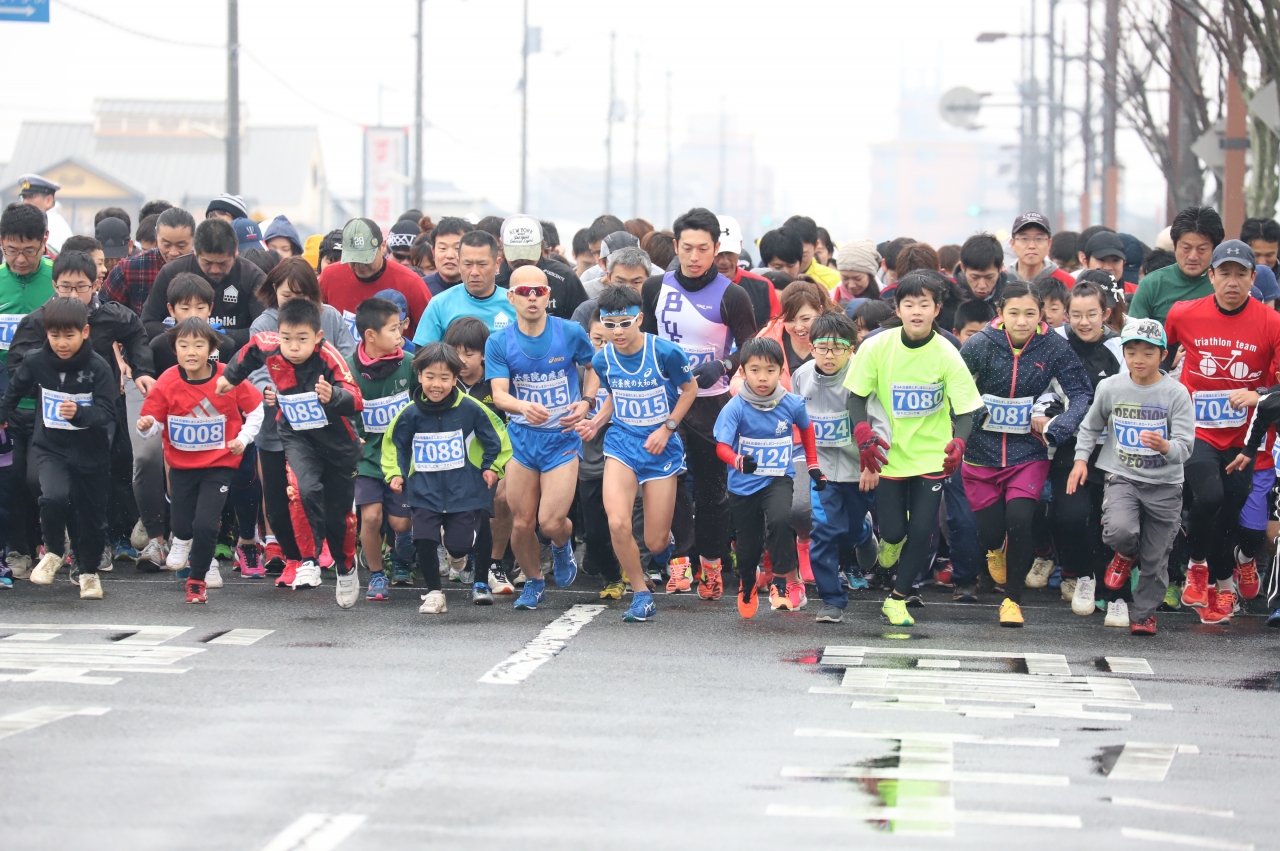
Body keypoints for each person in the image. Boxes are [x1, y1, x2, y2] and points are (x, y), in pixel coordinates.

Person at [845, 273, 983, 626]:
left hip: (930, 455)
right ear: (899, 308)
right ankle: (889, 543)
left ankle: (897, 598)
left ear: (937, 309)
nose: (917, 311)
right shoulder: (877, 346)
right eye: (909, 304)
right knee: (894, 531)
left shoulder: (947, 352)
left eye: (925, 304)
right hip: (888, 452)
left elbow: (967, 410)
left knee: (923, 529)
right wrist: (863, 434)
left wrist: (959, 442)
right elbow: (856, 396)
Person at [9, 250, 155, 570]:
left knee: (98, 480)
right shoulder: (39, 319)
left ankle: (94, 545)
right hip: (51, 419)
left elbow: (136, 333)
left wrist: (142, 369)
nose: (73, 294)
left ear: (97, 284)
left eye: (81, 287)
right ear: (54, 285)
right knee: (41, 482)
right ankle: (51, 543)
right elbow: (17, 366)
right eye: (65, 287)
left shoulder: (111, 315)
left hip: (99, 415)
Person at [641, 207, 759, 600]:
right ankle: (679, 564)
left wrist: (723, 364)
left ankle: (711, 567)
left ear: (716, 249)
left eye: (703, 249)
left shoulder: (733, 294)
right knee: (669, 486)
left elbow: (751, 347)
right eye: (687, 248)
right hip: (666, 405)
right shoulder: (655, 288)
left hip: (712, 404)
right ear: (675, 246)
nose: (694, 257)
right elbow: (646, 342)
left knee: (712, 492)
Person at [961, 281, 1093, 627]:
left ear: (1042, 315)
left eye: (1030, 314)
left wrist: (1058, 425)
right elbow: (952, 388)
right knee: (991, 531)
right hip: (980, 453)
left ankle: (1012, 600)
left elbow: (1081, 393)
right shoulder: (979, 345)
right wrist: (976, 415)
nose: (1022, 321)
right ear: (1000, 314)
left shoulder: (1054, 347)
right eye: (1014, 313)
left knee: (1019, 520)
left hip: (1027, 453)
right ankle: (993, 549)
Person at [219, 298, 365, 607]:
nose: (293, 347)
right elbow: (249, 350)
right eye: (287, 339)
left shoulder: (330, 357)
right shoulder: (269, 344)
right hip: (296, 434)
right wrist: (230, 377)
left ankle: (346, 566)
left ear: (318, 338)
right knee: (303, 490)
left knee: (341, 518)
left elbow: (356, 398)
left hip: (337, 441)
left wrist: (332, 395)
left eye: (302, 340)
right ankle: (308, 561)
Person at [1165, 239, 1280, 623]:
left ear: (1253, 278)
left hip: (1247, 437)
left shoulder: (1272, 323)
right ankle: (1198, 567)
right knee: (1209, 497)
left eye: (1241, 274)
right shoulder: (1183, 314)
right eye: (1225, 273)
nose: (1232, 282)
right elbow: (1159, 355)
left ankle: (1220, 579)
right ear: (1210, 276)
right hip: (1197, 431)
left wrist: (1258, 392)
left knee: (1232, 509)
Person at [576, 285, 697, 621]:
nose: (617, 331)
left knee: (656, 543)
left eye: (625, 323)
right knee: (617, 522)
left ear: (640, 319)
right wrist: (597, 422)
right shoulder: (602, 359)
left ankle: (665, 543)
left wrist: (667, 427)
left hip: (660, 447)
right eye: (609, 323)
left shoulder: (666, 353)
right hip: (622, 444)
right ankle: (641, 593)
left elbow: (690, 390)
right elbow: (615, 395)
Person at [1067, 317, 1194, 635]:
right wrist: (1081, 460)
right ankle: (1124, 553)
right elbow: (1091, 425)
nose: (1139, 359)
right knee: (1120, 531)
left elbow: (1185, 446)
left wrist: (1166, 446)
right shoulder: (1110, 387)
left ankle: (1144, 614)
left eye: (1148, 352)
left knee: (1156, 556)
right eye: (1132, 351)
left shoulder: (1175, 393)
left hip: (1165, 484)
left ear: (1163, 355)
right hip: (1121, 476)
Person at [486, 265, 598, 610]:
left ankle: (563, 547)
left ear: (549, 296)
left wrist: (586, 401)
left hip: (561, 439)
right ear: (511, 297)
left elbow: (594, 367)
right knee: (522, 523)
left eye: (539, 291)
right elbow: (499, 395)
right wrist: (521, 406)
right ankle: (534, 582)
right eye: (524, 292)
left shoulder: (569, 332)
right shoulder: (499, 341)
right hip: (522, 440)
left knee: (550, 522)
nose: (532, 297)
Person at [137, 318, 264, 603]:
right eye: (183, 345)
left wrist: (242, 440)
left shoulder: (226, 377)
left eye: (198, 345)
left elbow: (256, 410)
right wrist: (147, 426)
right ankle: (180, 540)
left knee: (206, 525)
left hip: (219, 465)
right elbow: (153, 422)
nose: (190, 351)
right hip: (181, 467)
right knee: (182, 524)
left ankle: (197, 580)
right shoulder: (168, 380)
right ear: (174, 349)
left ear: (211, 348)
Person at [248, 259, 357, 579]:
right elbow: (256, 371)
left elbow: (348, 365)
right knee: (279, 506)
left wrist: (331, 391)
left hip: (325, 429)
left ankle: (319, 550)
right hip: (277, 430)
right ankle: (294, 558)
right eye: (286, 296)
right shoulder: (263, 325)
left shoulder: (331, 318)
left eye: (302, 296)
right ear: (273, 293)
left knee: (316, 493)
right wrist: (268, 389)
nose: (294, 303)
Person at [0, 298, 116, 598]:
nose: (62, 343)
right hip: (51, 447)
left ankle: (89, 572)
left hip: (91, 452)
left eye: (69, 336)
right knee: (52, 496)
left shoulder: (98, 367)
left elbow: (107, 412)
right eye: (54, 336)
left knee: (90, 516)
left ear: (85, 331)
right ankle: (52, 551)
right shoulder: (36, 360)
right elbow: (12, 394)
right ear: (46, 334)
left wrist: (79, 414)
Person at [382, 342, 508, 614]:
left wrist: (491, 467)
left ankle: (458, 555)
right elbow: (394, 444)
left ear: (455, 378)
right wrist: (396, 474)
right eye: (430, 377)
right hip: (424, 491)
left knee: (458, 545)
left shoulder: (472, 408)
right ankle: (433, 593)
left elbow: (497, 437)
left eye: (444, 378)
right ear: (419, 376)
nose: (436, 384)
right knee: (424, 539)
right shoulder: (410, 413)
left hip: (464, 491)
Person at [715, 337, 826, 616]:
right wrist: (738, 460)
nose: (762, 378)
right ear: (743, 372)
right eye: (754, 370)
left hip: (779, 477)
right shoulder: (736, 407)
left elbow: (807, 428)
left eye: (770, 370)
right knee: (748, 542)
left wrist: (812, 464)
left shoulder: (791, 403)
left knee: (780, 519)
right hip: (744, 484)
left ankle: (779, 583)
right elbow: (721, 447)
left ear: (780, 371)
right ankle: (748, 583)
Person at [1039, 279, 1126, 616]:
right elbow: (1040, 385)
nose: (1084, 322)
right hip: (1069, 446)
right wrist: (1042, 411)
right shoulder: (1055, 343)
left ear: (1105, 313)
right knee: (1069, 516)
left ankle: (1109, 587)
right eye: (1076, 315)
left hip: (1111, 449)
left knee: (1105, 522)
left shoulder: (1119, 347)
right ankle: (1081, 575)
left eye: (1092, 314)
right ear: (1065, 315)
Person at [791, 311, 882, 622]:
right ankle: (832, 600)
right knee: (824, 530)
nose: (829, 355)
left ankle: (865, 531)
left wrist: (872, 465)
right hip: (822, 469)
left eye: (838, 348)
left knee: (849, 530)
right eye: (822, 347)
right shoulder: (801, 376)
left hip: (860, 469)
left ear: (851, 349)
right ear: (811, 345)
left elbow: (879, 423)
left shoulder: (863, 376)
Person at [0, 203, 57, 580]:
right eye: (10, 250)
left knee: (39, 480)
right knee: (10, 480)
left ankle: (43, 544)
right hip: (5, 399)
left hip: (45, 401)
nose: (20, 259)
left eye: (29, 251)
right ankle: (16, 549)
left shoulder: (57, 280)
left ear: (45, 243)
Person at [444, 316, 517, 598]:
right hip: (452, 461)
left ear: (484, 354)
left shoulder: (497, 381)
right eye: (456, 352)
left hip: (495, 460)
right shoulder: (442, 381)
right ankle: (456, 552)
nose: (461, 360)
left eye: (469, 353)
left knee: (501, 497)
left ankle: (494, 564)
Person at [348, 298, 415, 602]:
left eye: (401, 324)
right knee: (371, 518)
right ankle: (376, 574)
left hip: (403, 459)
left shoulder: (411, 364)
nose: (401, 330)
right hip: (367, 458)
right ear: (370, 335)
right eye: (393, 327)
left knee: (401, 522)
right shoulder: (347, 369)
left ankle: (401, 548)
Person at [141, 218, 265, 348]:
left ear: (235, 253)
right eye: (208, 263)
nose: (215, 269)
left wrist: (221, 335)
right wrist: (181, 332)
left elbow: (266, 331)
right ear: (195, 252)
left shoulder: (252, 277)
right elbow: (147, 323)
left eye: (223, 263)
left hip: (236, 357)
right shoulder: (172, 272)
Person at [318, 218, 430, 343]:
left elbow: (430, 335)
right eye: (354, 259)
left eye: (366, 258)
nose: (360, 265)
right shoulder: (330, 276)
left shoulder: (411, 282)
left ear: (383, 247)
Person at [414, 230, 517, 343]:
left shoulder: (514, 304)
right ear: (459, 263)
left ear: (497, 264)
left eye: (482, 264)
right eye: (467, 264)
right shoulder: (439, 304)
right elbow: (422, 355)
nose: (474, 272)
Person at [1130, 205, 1223, 324]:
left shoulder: (1224, 284)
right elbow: (1134, 338)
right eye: (1186, 248)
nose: (1193, 257)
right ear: (1174, 246)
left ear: (1215, 249)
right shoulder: (1151, 285)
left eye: (1202, 249)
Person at [104, 207, 196, 317]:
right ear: (156, 236)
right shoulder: (130, 268)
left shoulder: (205, 266)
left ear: (194, 240)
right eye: (166, 245)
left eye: (181, 246)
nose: (173, 252)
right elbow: (105, 313)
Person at [494, 215, 588, 320]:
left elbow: (583, 319)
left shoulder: (563, 277)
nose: (522, 260)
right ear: (502, 246)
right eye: (516, 255)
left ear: (541, 245)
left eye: (528, 254)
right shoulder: (493, 280)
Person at [715, 215, 780, 327]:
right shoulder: (695, 286)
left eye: (730, 253)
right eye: (719, 254)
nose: (724, 261)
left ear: (740, 245)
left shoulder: (763, 287)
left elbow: (777, 332)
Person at [571, 246, 652, 330]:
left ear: (649, 279)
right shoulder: (587, 310)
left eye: (636, 282)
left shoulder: (655, 312)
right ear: (608, 277)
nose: (628, 289)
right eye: (620, 282)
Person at [1008, 212, 1070, 284]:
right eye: (1024, 239)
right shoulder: (1001, 280)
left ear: (1049, 244)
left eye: (1039, 239)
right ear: (1012, 244)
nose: (1031, 246)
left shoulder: (1066, 282)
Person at [782, 215, 841, 290]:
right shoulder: (771, 276)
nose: (797, 262)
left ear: (816, 246)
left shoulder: (835, 280)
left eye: (803, 255)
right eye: (791, 254)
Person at [16, 174, 71, 252]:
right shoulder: (38, 223)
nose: (25, 202)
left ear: (48, 200)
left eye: (31, 196)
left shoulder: (53, 226)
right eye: (24, 197)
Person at [423, 217, 474, 295]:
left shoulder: (483, 289)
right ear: (433, 252)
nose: (449, 255)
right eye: (443, 248)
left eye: (457, 248)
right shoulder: (421, 287)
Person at [955, 233, 1009, 305]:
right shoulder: (949, 298)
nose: (982, 286)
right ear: (962, 267)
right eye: (974, 277)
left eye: (989, 277)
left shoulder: (1013, 296)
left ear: (1000, 268)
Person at [834, 240, 881, 304]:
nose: (851, 285)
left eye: (857, 279)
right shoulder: (831, 298)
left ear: (870, 275)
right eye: (845, 278)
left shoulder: (887, 295)